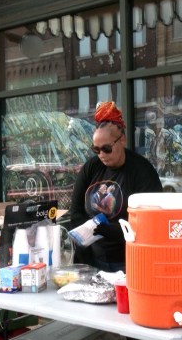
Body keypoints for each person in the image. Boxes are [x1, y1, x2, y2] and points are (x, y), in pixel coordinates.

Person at [68, 101, 162, 273]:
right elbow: (76, 210)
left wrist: (108, 231)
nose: (102, 155)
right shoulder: (92, 167)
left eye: (107, 148)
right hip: (92, 259)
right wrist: (86, 232)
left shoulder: (142, 171)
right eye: (96, 149)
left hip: (129, 262)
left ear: (122, 140)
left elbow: (150, 223)